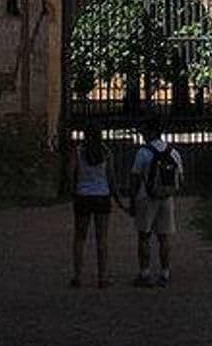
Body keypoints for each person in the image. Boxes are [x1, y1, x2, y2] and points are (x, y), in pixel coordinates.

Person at [129, 116, 183, 287]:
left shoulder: (143, 152)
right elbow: (180, 178)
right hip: (166, 198)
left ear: (150, 131)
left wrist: (132, 200)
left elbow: (135, 178)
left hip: (146, 197)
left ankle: (145, 273)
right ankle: (165, 273)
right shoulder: (173, 152)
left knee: (144, 236)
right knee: (164, 237)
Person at [68, 124, 117, 287]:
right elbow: (111, 176)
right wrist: (114, 194)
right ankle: (102, 277)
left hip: (83, 196)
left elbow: (70, 173)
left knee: (80, 238)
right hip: (102, 196)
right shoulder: (106, 152)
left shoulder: (78, 151)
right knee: (102, 239)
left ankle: (77, 275)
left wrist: (72, 190)